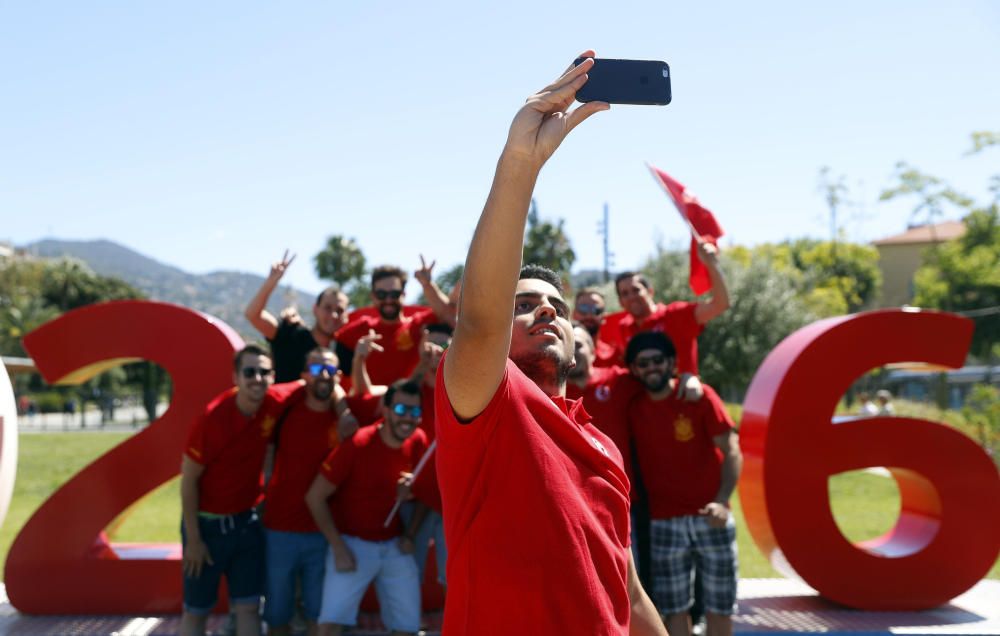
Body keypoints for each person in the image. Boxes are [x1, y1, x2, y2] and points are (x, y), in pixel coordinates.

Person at [436, 51, 665, 634]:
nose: (545, 309)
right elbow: (480, 325)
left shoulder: (603, 446)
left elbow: (630, 594)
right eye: (523, 304)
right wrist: (521, 163)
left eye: (556, 306)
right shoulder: (483, 404)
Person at [179, 344, 300, 636]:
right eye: (249, 372)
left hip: (247, 525)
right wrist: (194, 540)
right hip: (207, 527)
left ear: (273, 377)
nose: (257, 378)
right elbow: (188, 481)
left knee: (248, 607)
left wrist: (340, 403)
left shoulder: (274, 400)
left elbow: (314, 381)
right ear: (235, 377)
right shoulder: (212, 419)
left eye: (264, 372)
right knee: (197, 610)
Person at [626, 332, 742, 636]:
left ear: (672, 363)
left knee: (721, 605)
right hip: (664, 522)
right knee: (674, 608)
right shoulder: (633, 407)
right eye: (643, 363)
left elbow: (731, 448)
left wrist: (722, 500)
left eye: (658, 361)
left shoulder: (699, 397)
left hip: (711, 517)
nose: (652, 368)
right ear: (635, 370)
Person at [305, 380, 429, 636]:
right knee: (328, 628)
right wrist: (338, 548)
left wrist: (410, 535)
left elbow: (426, 496)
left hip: (395, 545)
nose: (408, 418)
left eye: (415, 412)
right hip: (352, 544)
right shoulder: (357, 444)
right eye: (401, 410)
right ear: (385, 410)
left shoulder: (418, 441)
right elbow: (314, 497)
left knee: (408, 628)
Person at [261, 348, 355, 636]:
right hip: (279, 529)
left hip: (323, 532)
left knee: (318, 613)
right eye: (316, 370)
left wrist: (343, 410)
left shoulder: (345, 419)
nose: (323, 376)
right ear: (304, 376)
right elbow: (267, 454)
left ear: (338, 377)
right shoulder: (285, 407)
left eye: (330, 371)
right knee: (278, 615)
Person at [599, 241, 729, 398]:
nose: (631, 296)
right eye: (625, 293)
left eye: (636, 290)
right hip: (647, 407)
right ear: (620, 302)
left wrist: (711, 263)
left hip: (683, 397)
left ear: (650, 292)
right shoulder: (624, 327)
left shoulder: (676, 314)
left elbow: (720, 304)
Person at [334, 263, 448, 386]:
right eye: (381, 294)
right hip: (372, 403)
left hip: (409, 403)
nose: (388, 300)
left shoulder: (418, 324)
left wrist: (428, 285)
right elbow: (330, 339)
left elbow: (450, 315)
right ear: (373, 296)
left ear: (403, 295)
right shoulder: (361, 328)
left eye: (394, 294)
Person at [245, 251, 350, 382]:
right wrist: (272, 280)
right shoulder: (290, 333)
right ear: (315, 309)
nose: (333, 315)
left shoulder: (346, 352)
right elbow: (253, 315)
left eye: (340, 310)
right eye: (327, 308)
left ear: (346, 316)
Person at [573, 287, 619, 368]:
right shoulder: (563, 352)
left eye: (596, 310)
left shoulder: (614, 356)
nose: (589, 315)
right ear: (574, 314)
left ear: (604, 317)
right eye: (583, 308)